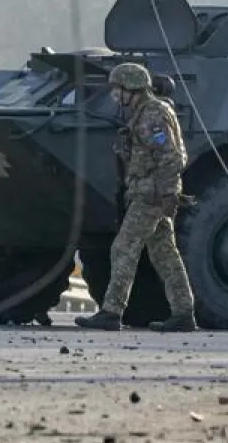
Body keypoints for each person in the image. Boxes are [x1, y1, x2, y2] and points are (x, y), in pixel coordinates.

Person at [75, 61, 197, 333]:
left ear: (132, 89)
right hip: (150, 192)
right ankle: (183, 312)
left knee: (123, 247)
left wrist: (167, 193)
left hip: (151, 195)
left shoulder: (153, 115)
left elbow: (171, 156)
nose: (115, 96)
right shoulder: (143, 113)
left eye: (118, 89)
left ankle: (112, 311)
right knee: (164, 254)